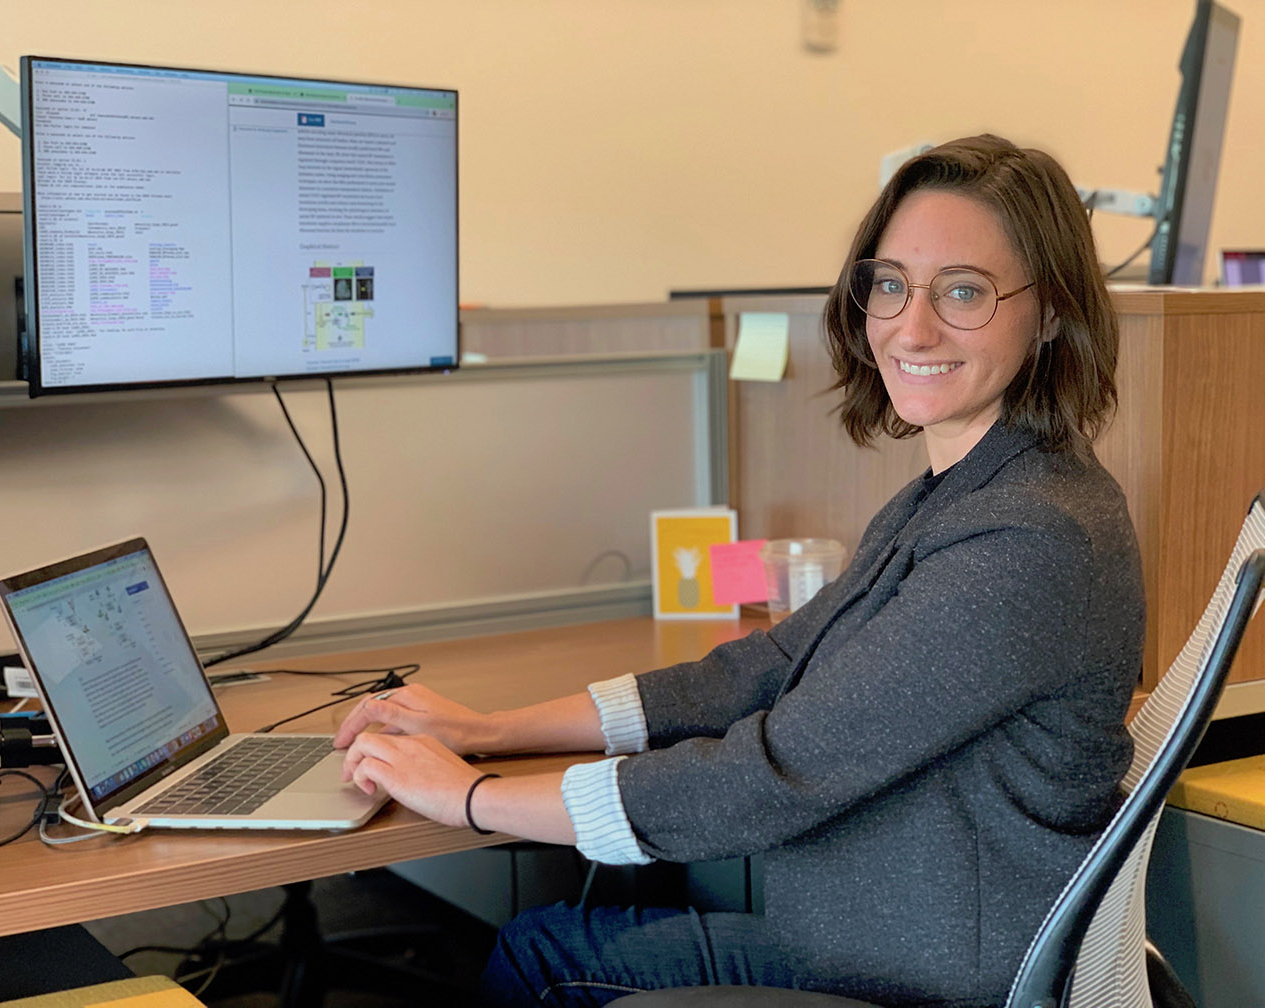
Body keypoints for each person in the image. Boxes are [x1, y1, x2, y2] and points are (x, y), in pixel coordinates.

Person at [333, 134, 1145, 1007]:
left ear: (1052, 310)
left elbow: (774, 773)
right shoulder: (967, 494)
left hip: (930, 972)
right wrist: (490, 730)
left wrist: (473, 797)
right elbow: (766, 668)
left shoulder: (1025, 541)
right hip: (889, 927)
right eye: (890, 284)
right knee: (602, 906)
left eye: (963, 292)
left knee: (542, 957)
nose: (911, 326)